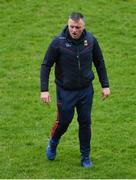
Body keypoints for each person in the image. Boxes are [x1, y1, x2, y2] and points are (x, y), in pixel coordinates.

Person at [40, 12, 110, 168]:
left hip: (86, 91)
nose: (74, 30)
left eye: (77, 27)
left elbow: (100, 62)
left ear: (83, 26)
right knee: (64, 122)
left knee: (85, 122)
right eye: (71, 26)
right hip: (65, 92)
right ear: (68, 24)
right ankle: (53, 142)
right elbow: (46, 65)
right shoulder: (58, 43)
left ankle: (85, 156)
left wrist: (105, 85)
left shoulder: (91, 40)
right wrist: (44, 90)